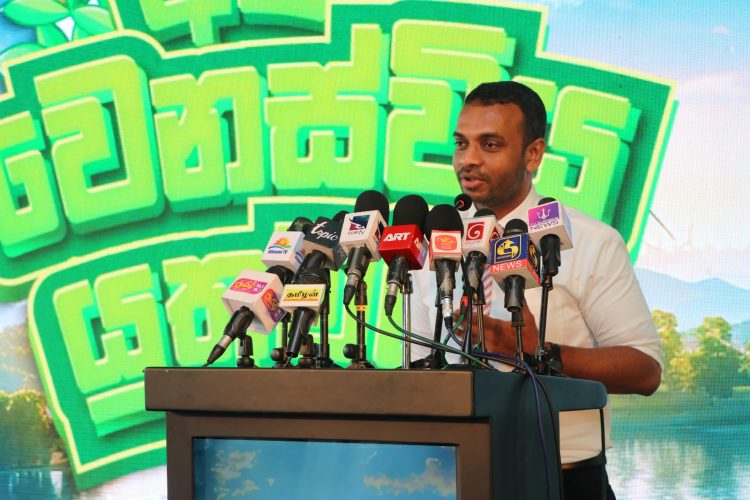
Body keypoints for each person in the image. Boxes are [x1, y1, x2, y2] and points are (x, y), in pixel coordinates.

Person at [408, 81, 662, 499]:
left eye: (490, 145)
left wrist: (537, 352)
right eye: (461, 143)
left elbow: (645, 370)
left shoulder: (590, 241)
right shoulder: (436, 241)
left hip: (561, 478)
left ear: (533, 154)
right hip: (448, 475)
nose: (468, 160)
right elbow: (416, 367)